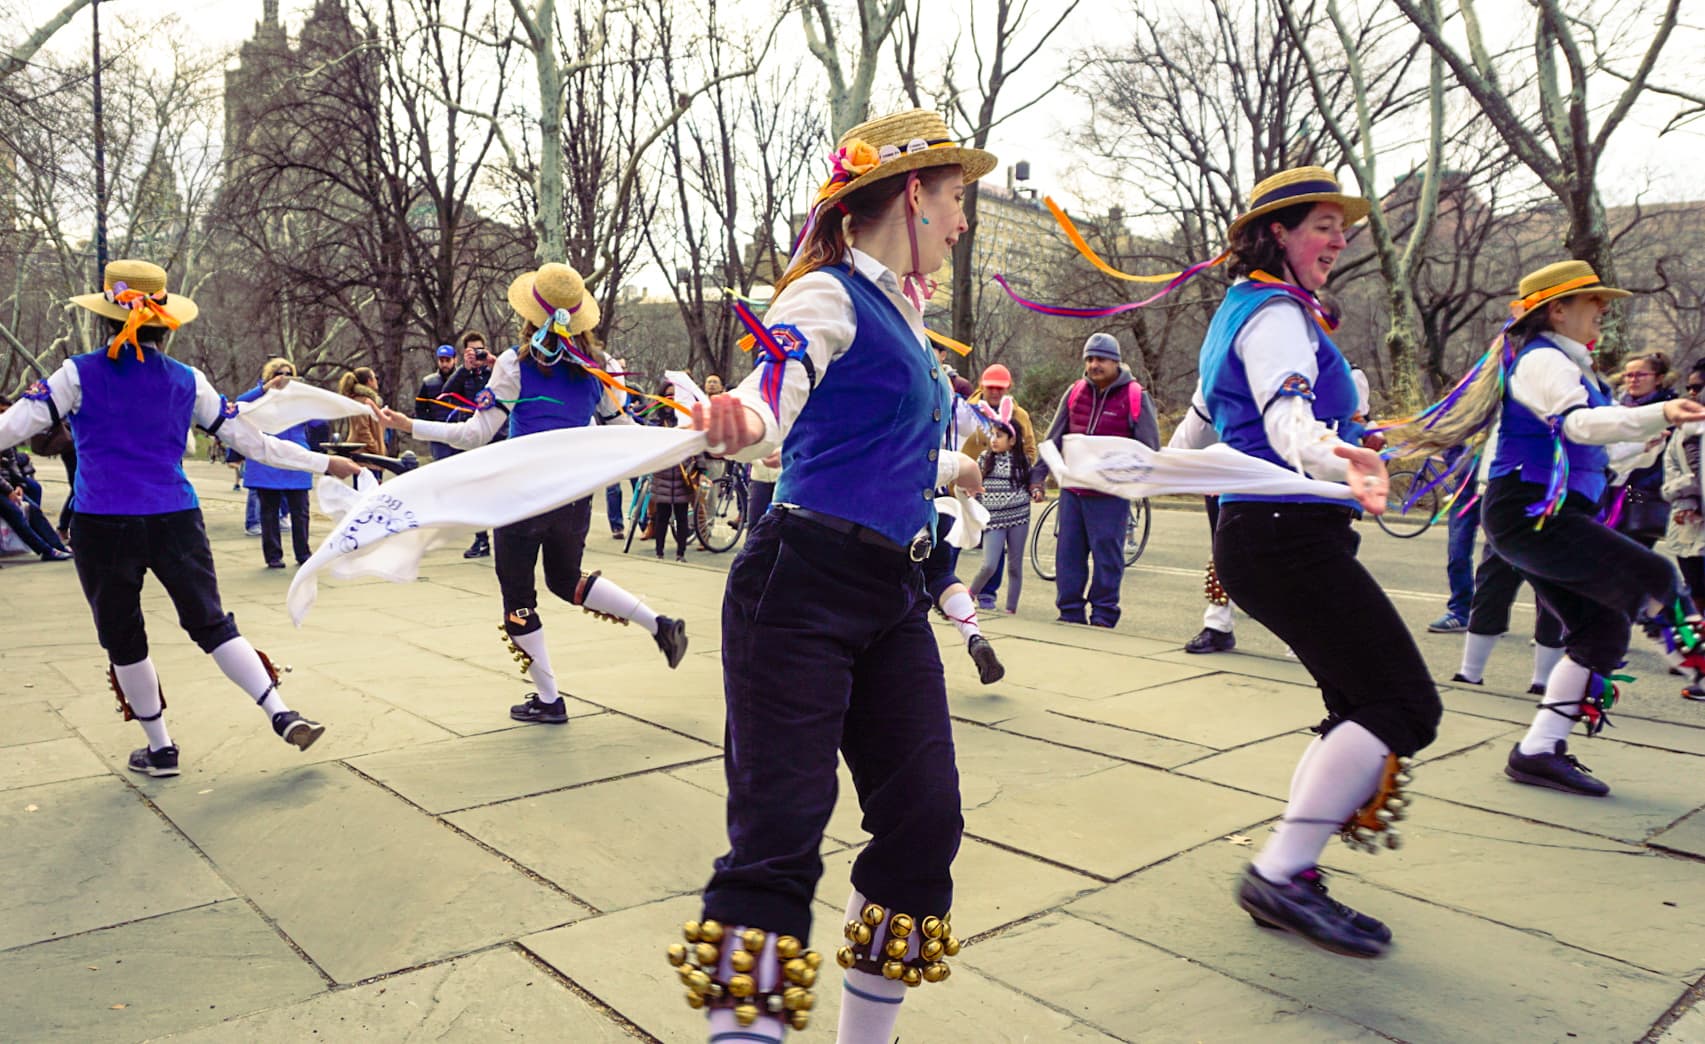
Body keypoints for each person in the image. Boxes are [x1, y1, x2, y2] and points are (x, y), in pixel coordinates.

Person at [685, 108, 993, 1043]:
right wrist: (743, 413)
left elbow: (867, 433)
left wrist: (949, 467)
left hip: (892, 598)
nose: (962, 221)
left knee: (924, 821)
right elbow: (780, 387)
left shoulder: (902, 313)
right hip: (800, 587)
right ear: (912, 193)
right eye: (954, 199)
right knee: (781, 834)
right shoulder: (825, 294)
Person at [1182, 167, 1439, 959]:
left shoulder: (1237, 314)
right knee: (1403, 705)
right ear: (1277, 235)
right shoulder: (1276, 315)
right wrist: (1343, 459)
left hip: (1268, 534)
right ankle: (1279, 871)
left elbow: (1194, 430)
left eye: (1341, 227)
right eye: (1321, 225)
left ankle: (1287, 871)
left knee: (1356, 703)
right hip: (1283, 532)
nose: (1337, 240)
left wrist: (1137, 471)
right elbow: (1288, 425)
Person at [0, 259, 364, 776]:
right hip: (175, 516)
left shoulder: (77, 374)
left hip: (104, 522)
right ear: (165, 323)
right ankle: (281, 713)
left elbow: (13, 426)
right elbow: (254, 443)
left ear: (108, 318)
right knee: (211, 622)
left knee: (123, 635)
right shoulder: (188, 380)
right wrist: (325, 461)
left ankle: (161, 747)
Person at [1391, 259, 1705, 797]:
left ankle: (1537, 751)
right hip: (1531, 510)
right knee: (1653, 573)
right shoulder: (1542, 361)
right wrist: (1660, 415)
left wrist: (1650, 437)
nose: (1602, 310)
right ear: (1557, 310)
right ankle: (1696, 662)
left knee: (1600, 632)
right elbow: (1579, 426)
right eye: (1593, 301)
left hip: (1549, 512)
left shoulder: (1572, 367)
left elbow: (1599, 446)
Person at [374, 261, 690, 726]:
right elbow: (623, 429)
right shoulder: (597, 369)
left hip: (520, 497)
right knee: (567, 580)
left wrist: (411, 425)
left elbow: (477, 433)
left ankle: (548, 699)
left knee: (518, 596)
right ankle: (658, 624)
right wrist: (679, 441)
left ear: (529, 315)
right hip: (572, 496)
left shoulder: (513, 364)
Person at [1029, 333, 1160, 627]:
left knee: (1107, 558)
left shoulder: (1136, 396)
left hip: (1110, 494)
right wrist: (1038, 476)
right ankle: (1070, 612)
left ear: (1116, 361)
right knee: (1068, 555)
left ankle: (1103, 614)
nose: (1094, 365)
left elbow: (1150, 448)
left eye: (1100, 359)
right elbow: (1053, 437)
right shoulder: (1075, 392)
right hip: (1073, 491)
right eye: (1089, 359)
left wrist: (1134, 479)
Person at [960, 364, 1035, 609]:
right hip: (981, 505)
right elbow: (959, 444)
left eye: (999, 388)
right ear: (982, 386)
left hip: (1016, 512)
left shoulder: (1018, 415)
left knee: (1012, 563)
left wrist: (1035, 485)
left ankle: (998, 602)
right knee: (967, 551)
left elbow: (1030, 451)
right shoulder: (967, 410)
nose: (994, 392)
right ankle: (954, 593)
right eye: (990, 387)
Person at [238, 358, 322, 569]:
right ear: (270, 377)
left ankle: (303, 553)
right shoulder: (261, 398)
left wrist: (306, 397)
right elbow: (239, 403)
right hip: (269, 459)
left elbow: (319, 421)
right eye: (279, 374)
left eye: (288, 373)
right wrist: (266, 388)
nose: (283, 377)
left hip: (296, 459)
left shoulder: (297, 401)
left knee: (300, 511)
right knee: (269, 512)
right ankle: (273, 556)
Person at [967, 417, 1030, 613]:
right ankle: (968, 597)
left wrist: (1036, 490)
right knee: (989, 565)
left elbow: (1031, 483)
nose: (994, 440)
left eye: (999, 436)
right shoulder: (984, 459)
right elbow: (974, 487)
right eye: (992, 435)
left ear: (1012, 440)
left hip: (1018, 517)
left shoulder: (1022, 462)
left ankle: (1011, 609)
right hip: (993, 520)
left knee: (1015, 567)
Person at [1661, 360, 1705, 633]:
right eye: (1688, 387)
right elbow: (1671, 467)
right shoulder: (1683, 430)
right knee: (1695, 587)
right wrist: (1686, 499)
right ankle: (1696, 644)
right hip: (1689, 522)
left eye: (1698, 387)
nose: (1691, 393)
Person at [445, 331, 497, 557]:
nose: (477, 355)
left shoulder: (495, 371)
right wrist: (464, 369)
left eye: (480, 349)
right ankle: (481, 538)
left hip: (498, 436)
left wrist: (494, 365)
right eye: (471, 351)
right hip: (475, 438)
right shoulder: (463, 375)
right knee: (476, 492)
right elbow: (446, 392)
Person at [0, 402, 73, 561]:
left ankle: (57, 546)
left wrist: (19, 485)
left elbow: (13, 463)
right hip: (3, 488)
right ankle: (45, 550)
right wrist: (9, 490)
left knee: (32, 507)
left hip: (7, 485)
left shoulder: (5, 434)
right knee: (14, 512)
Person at [648, 383, 701, 561]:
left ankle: (681, 552)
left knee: (682, 516)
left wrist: (700, 468)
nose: (671, 399)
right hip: (662, 473)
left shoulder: (687, 418)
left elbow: (696, 444)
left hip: (682, 474)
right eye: (668, 395)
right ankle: (659, 552)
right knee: (661, 515)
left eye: (675, 395)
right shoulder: (655, 419)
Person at [415, 344, 461, 460]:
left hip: (460, 431)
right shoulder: (428, 382)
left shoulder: (463, 379)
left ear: (455, 360)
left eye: (447, 360)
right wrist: (430, 425)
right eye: (441, 360)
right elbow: (420, 407)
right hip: (438, 434)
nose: (444, 364)